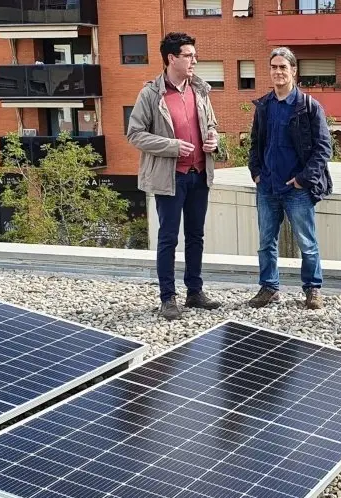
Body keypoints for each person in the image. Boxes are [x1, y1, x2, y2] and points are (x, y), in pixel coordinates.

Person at [126, 32, 222, 321]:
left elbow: (212, 124)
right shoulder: (151, 94)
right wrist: (171, 146)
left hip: (199, 174)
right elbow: (135, 134)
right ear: (171, 58)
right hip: (170, 177)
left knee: (196, 236)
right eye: (188, 55)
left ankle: (195, 292)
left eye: (194, 55)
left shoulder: (200, 90)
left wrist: (213, 139)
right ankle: (168, 298)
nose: (194, 60)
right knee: (168, 238)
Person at [246, 46, 333, 310]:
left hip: (297, 189)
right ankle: (269, 288)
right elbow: (254, 144)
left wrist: (302, 180)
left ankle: (312, 289)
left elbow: (323, 149)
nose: (278, 72)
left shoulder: (308, 106)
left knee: (307, 243)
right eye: (274, 67)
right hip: (268, 187)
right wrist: (256, 172)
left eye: (283, 67)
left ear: (293, 70)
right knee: (265, 243)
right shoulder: (264, 106)